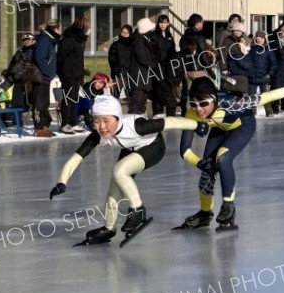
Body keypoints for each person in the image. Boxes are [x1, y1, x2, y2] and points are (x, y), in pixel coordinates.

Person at [49, 95, 209, 245]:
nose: (102, 127)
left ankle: (138, 210)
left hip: (153, 147)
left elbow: (170, 122)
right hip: (131, 149)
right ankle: (108, 229)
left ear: (118, 118)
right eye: (97, 121)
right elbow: (76, 157)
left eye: (106, 121)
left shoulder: (137, 126)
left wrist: (197, 124)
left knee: (119, 171)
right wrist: (62, 182)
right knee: (113, 189)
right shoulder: (98, 135)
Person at [176, 77, 284, 231]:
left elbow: (265, 97)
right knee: (208, 169)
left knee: (223, 158)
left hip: (243, 125)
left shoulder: (229, 104)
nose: (198, 109)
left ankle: (228, 206)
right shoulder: (191, 114)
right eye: (194, 104)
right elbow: (184, 150)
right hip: (220, 129)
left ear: (214, 99)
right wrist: (200, 163)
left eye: (204, 104)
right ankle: (205, 214)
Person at [57, 16, 90, 134]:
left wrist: (82, 71)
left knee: (75, 98)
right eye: (87, 27)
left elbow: (77, 58)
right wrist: (61, 72)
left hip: (77, 73)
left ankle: (73, 121)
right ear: (82, 27)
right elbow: (60, 57)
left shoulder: (79, 40)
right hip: (68, 74)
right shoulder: (69, 40)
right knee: (68, 99)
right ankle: (65, 123)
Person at [32, 19, 61, 137]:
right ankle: (38, 128)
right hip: (40, 77)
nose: (60, 31)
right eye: (59, 28)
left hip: (45, 78)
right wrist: (47, 72)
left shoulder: (50, 41)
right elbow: (40, 58)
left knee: (45, 103)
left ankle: (44, 126)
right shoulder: (45, 40)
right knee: (39, 103)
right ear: (53, 29)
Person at [128, 18, 159, 115]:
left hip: (142, 76)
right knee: (137, 102)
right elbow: (142, 57)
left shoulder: (142, 39)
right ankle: (134, 122)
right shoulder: (138, 41)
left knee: (141, 102)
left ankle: (140, 120)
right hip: (138, 77)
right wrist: (154, 65)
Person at [3, 33, 37, 118]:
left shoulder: (36, 51)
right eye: (24, 40)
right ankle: (16, 122)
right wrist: (7, 83)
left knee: (31, 103)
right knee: (16, 103)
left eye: (28, 40)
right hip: (18, 82)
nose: (26, 42)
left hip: (31, 82)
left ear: (33, 40)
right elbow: (12, 67)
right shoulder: (19, 52)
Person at [151, 14, 176, 116]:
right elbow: (152, 51)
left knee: (169, 89)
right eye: (161, 22)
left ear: (168, 23)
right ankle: (158, 113)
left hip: (168, 67)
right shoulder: (154, 35)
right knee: (159, 90)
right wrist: (155, 64)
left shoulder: (169, 35)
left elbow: (173, 50)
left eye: (164, 22)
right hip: (158, 67)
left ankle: (171, 114)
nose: (162, 24)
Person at [248, 31, 278, 116]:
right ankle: (252, 111)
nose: (259, 40)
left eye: (261, 38)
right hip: (252, 77)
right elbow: (248, 62)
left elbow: (274, 63)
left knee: (265, 95)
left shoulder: (268, 49)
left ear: (264, 39)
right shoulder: (252, 49)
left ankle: (268, 111)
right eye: (257, 38)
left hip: (264, 76)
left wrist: (269, 74)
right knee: (252, 95)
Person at [108, 24, 133, 99]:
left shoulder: (133, 44)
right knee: (115, 96)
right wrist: (116, 68)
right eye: (123, 32)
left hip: (130, 73)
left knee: (131, 96)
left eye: (126, 33)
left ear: (130, 33)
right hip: (118, 73)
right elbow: (111, 59)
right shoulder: (115, 45)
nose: (124, 34)